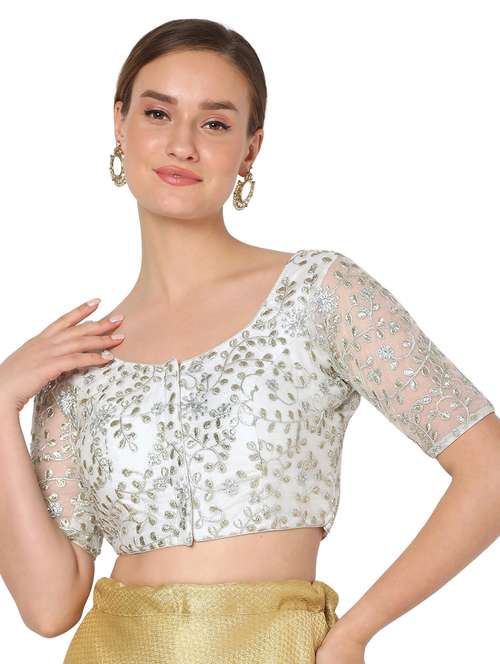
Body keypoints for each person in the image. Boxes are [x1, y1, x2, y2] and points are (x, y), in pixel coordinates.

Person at [0, 17, 498, 664]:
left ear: (250, 149)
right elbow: (48, 607)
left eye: (214, 123)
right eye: (157, 113)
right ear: (120, 124)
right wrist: (0, 401)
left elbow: (489, 469)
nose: (182, 144)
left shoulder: (319, 292)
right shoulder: (79, 361)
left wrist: (354, 631)